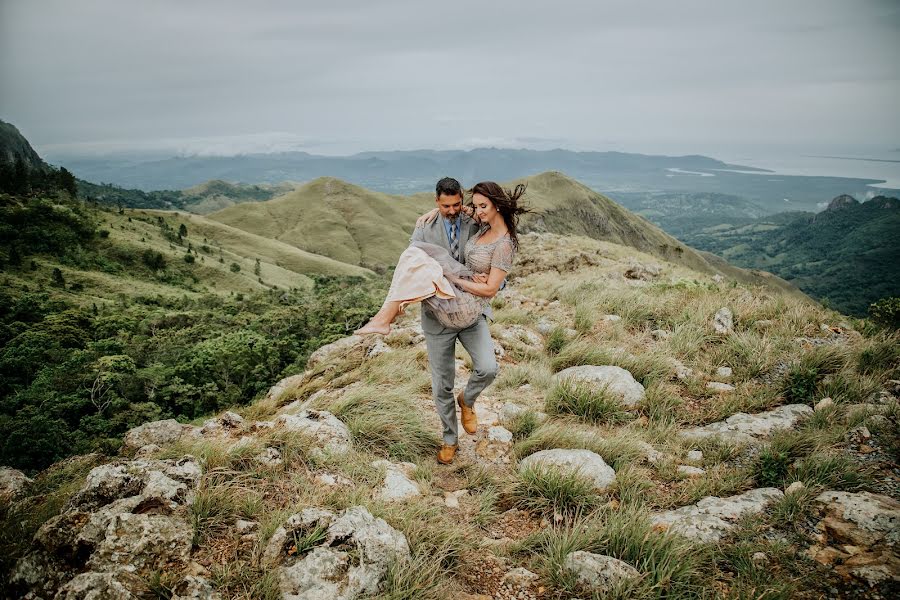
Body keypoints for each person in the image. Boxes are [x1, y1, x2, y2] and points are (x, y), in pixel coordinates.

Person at [355, 177, 528, 464]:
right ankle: (450, 439)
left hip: (472, 313)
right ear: (436, 202)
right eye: (445, 205)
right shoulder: (424, 226)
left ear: (462, 200)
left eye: (457, 204)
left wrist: (491, 282)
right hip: (437, 317)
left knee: (487, 368)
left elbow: (497, 247)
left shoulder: (475, 218)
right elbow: (413, 265)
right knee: (441, 385)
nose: (452, 210)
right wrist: (406, 300)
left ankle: (468, 401)